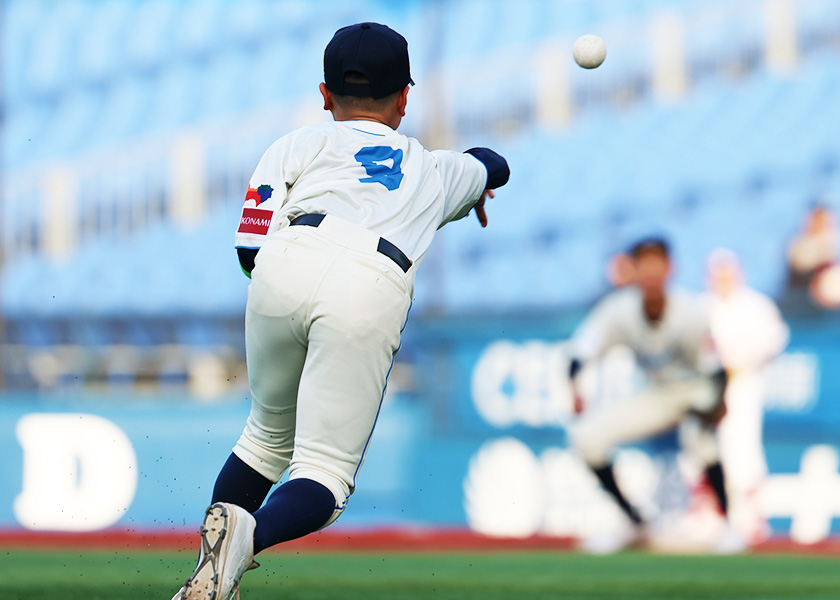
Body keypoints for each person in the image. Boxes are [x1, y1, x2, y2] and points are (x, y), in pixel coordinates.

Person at [172, 22, 509, 600]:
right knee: (324, 473)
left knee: (263, 440)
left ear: (324, 95)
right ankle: (245, 542)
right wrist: (475, 185)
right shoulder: (435, 169)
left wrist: (289, 289)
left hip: (285, 258)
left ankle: (210, 571)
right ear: (406, 97)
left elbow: (248, 247)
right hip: (372, 277)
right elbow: (494, 163)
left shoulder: (294, 145)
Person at [566, 237, 731, 552]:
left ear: (670, 269)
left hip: (697, 390)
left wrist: (718, 404)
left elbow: (716, 370)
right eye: (645, 265)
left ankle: (729, 526)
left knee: (702, 441)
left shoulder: (690, 311)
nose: (652, 274)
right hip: (659, 394)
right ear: (634, 270)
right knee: (586, 438)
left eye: (658, 265)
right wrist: (574, 386)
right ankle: (636, 523)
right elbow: (581, 350)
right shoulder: (619, 310)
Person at [705, 248, 788, 543]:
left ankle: (751, 517)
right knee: (706, 450)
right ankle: (714, 516)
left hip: (743, 383)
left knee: (743, 449)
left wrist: (742, 362)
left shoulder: (755, 305)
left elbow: (775, 338)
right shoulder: (703, 306)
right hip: (708, 388)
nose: (722, 280)